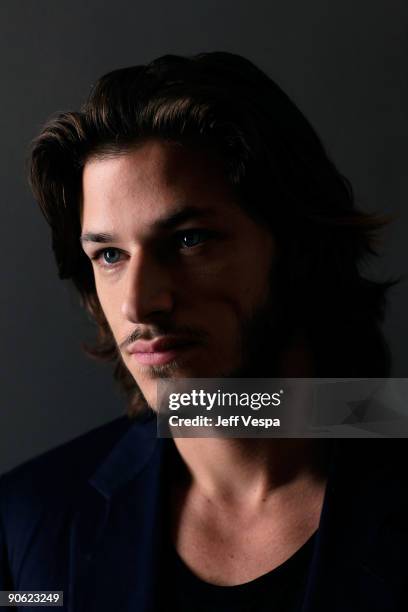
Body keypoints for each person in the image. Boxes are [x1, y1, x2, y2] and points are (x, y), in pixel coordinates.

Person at [0, 52, 406, 611]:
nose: (141, 302)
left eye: (190, 240)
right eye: (111, 254)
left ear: (297, 247)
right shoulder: (32, 515)